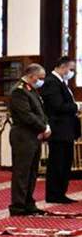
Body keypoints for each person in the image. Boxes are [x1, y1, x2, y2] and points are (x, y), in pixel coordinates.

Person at [9, 64, 50, 217]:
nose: (42, 81)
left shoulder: (31, 90)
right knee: (22, 172)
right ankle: (18, 206)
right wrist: (43, 128)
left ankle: (28, 203)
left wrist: (45, 126)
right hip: (23, 135)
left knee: (32, 171)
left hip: (34, 135)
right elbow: (26, 115)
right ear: (32, 75)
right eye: (40, 78)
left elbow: (40, 112)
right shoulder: (19, 91)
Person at [41, 57, 79, 203]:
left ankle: (60, 193)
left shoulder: (61, 82)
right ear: (63, 66)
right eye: (71, 69)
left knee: (65, 162)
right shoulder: (52, 82)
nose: (71, 72)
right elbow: (58, 106)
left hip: (66, 130)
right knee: (57, 163)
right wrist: (77, 107)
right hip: (59, 130)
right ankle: (54, 194)